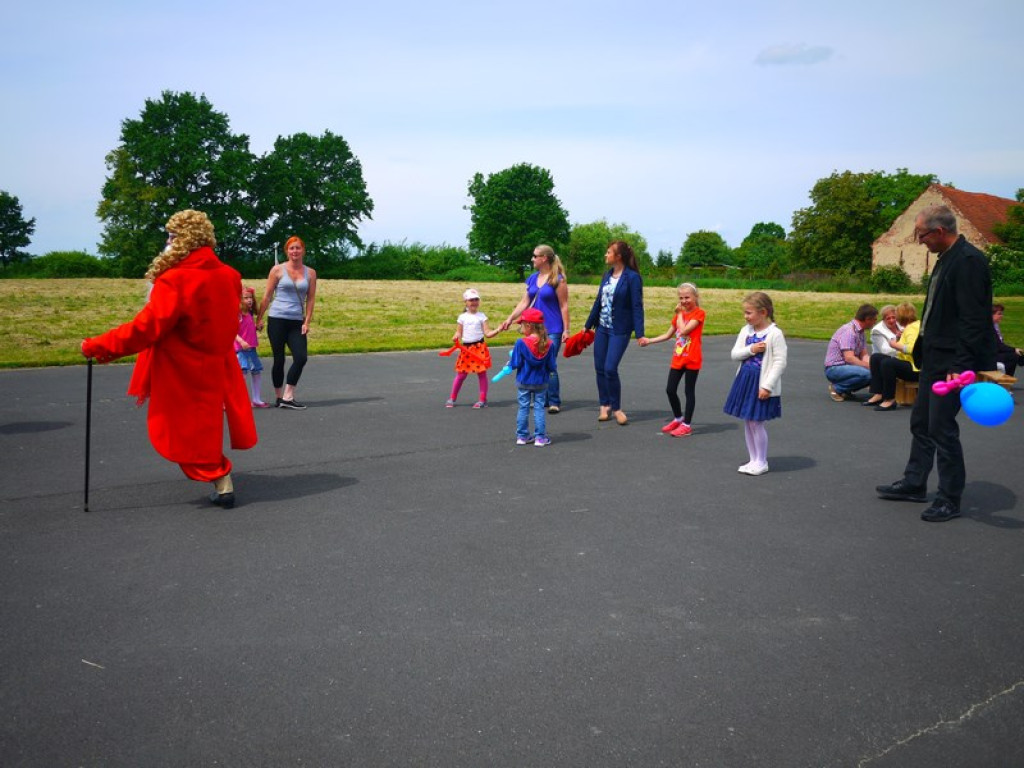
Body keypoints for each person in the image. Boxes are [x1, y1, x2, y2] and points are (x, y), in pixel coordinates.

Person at [80, 209, 257, 509]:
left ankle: (219, 474)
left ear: (183, 239)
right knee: (204, 425)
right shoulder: (230, 275)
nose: (167, 242)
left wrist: (97, 345)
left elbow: (145, 329)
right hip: (216, 361)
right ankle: (220, 478)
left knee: (179, 431)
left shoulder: (175, 279)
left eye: (171, 236)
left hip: (180, 367)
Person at [876, 205, 995, 522]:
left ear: (940, 231)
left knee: (942, 428)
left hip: (953, 363)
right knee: (922, 423)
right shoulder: (946, 259)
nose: (920, 240)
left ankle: (949, 498)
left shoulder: (968, 262)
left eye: (922, 234)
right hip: (934, 357)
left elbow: (973, 320)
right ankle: (915, 483)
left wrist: (960, 364)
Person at [500, 245, 570, 413]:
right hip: (533, 328)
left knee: (549, 363)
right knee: (535, 362)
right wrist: (510, 318)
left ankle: (554, 401)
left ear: (544, 258)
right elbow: (524, 302)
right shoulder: (532, 278)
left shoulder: (558, 279)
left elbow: (564, 305)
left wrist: (566, 329)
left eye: (534, 256)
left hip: (552, 327)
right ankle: (542, 398)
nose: (532, 259)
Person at [723, 292, 787, 475]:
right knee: (748, 421)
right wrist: (751, 349)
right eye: (745, 312)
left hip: (760, 382)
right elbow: (735, 354)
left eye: (749, 313)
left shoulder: (774, 334)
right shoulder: (746, 331)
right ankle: (753, 459)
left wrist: (767, 386)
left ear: (763, 312)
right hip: (745, 379)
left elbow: (780, 362)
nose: (746, 316)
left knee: (756, 422)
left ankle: (761, 461)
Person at [584, 240, 646, 425]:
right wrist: (588, 325)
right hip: (602, 328)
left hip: (620, 329)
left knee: (610, 368)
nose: (606, 255)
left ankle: (617, 408)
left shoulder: (632, 278)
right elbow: (599, 301)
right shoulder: (607, 275)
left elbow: (637, 306)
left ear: (618, 256)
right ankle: (604, 405)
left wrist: (640, 333)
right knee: (600, 367)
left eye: (608, 252)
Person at [255, 236, 317, 410]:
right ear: (287, 251)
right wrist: (259, 318)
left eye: (298, 248)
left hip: (296, 321)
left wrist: (307, 321)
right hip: (277, 319)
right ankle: (279, 397)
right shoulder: (277, 270)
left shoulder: (310, 273)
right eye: (291, 248)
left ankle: (288, 396)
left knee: (301, 357)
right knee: (279, 359)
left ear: (303, 250)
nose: (295, 251)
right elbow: (267, 296)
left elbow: (311, 299)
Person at [639, 282, 705, 437]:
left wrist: (680, 314)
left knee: (689, 391)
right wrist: (649, 340)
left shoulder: (699, 314)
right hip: (678, 357)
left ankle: (686, 425)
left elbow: (684, 331)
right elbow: (668, 335)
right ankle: (678, 418)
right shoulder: (679, 315)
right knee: (670, 389)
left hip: (692, 358)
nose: (684, 301)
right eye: (681, 298)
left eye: (687, 297)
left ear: (695, 297)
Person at [509, 308, 557, 446]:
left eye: (522, 325)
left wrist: (510, 362)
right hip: (541, 381)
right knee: (539, 408)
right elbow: (552, 366)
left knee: (523, 408)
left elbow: (516, 363)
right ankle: (540, 437)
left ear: (529, 325)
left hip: (524, 380)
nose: (521, 328)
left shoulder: (521, 343)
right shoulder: (549, 344)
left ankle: (522, 436)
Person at [447, 288, 500, 408]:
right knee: (461, 375)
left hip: (479, 348)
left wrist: (498, 330)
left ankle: (482, 400)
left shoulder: (482, 316)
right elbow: (459, 332)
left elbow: (487, 333)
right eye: (471, 300)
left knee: (481, 374)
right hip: (466, 349)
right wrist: (456, 336)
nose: (474, 302)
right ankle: (452, 398)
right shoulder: (462, 317)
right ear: (465, 302)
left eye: (476, 299)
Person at [863, 303, 920, 411]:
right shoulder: (910, 327)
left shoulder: (912, 328)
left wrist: (894, 344)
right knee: (876, 357)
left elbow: (912, 349)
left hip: (917, 369)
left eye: (896, 315)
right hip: (910, 362)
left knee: (888, 364)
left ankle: (889, 399)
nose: (895, 319)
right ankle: (879, 393)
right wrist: (899, 339)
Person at [823, 304, 878, 401]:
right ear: (868, 319)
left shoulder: (860, 332)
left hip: (846, 367)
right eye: (875, 319)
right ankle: (837, 388)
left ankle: (846, 390)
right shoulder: (849, 331)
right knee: (868, 375)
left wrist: (872, 366)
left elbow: (864, 354)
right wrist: (868, 366)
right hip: (835, 368)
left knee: (875, 372)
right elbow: (849, 358)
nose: (875, 322)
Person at [236, 287, 270, 408]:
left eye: (250, 298)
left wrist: (257, 327)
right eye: (246, 298)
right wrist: (241, 341)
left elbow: (248, 329)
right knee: (242, 374)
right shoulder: (238, 314)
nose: (249, 300)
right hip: (241, 349)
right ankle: (236, 401)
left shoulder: (249, 313)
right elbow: (232, 331)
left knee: (256, 372)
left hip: (251, 348)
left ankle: (256, 399)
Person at [992, 303, 1023, 377]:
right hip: (989, 356)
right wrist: (1014, 349)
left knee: (1018, 356)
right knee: (1014, 356)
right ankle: (1006, 378)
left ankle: (1007, 378)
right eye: (999, 314)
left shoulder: (995, 326)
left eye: (1002, 314)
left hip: (995, 352)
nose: (1001, 316)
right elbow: (999, 346)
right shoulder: (989, 328)